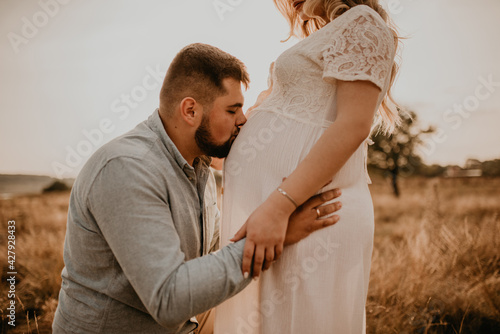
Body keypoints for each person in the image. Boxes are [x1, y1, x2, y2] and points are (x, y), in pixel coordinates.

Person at [52, 43, 343, 334]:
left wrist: (277, 209)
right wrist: (269, 238)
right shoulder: (127, 168)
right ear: (190, 110)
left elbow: (216, 255)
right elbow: (170, 299)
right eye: (232, 109)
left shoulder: (198, 166)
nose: (243, 120)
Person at [215, 0, 401, 333]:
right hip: (281, 213)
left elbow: (352, 126)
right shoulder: (325, 36)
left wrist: (278, 205)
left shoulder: (362, 22)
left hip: (310, 213)